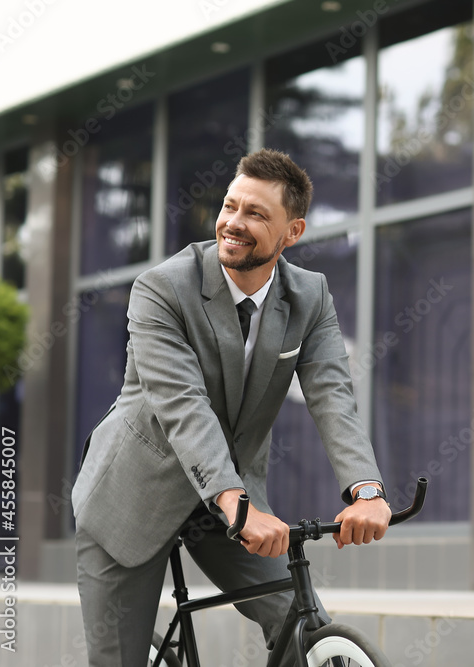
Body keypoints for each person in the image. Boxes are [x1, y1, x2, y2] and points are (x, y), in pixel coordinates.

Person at [72, 149, 391, 666]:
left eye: (256, 214)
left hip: (226, 502)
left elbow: (333, 394)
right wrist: (236, 505)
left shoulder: (310, 296)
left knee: (301, 625)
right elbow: (183, 406)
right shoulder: (161, 289)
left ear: (293, 232)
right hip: (131, 500)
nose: (234, 223)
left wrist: (367, 489)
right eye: (230, 206)